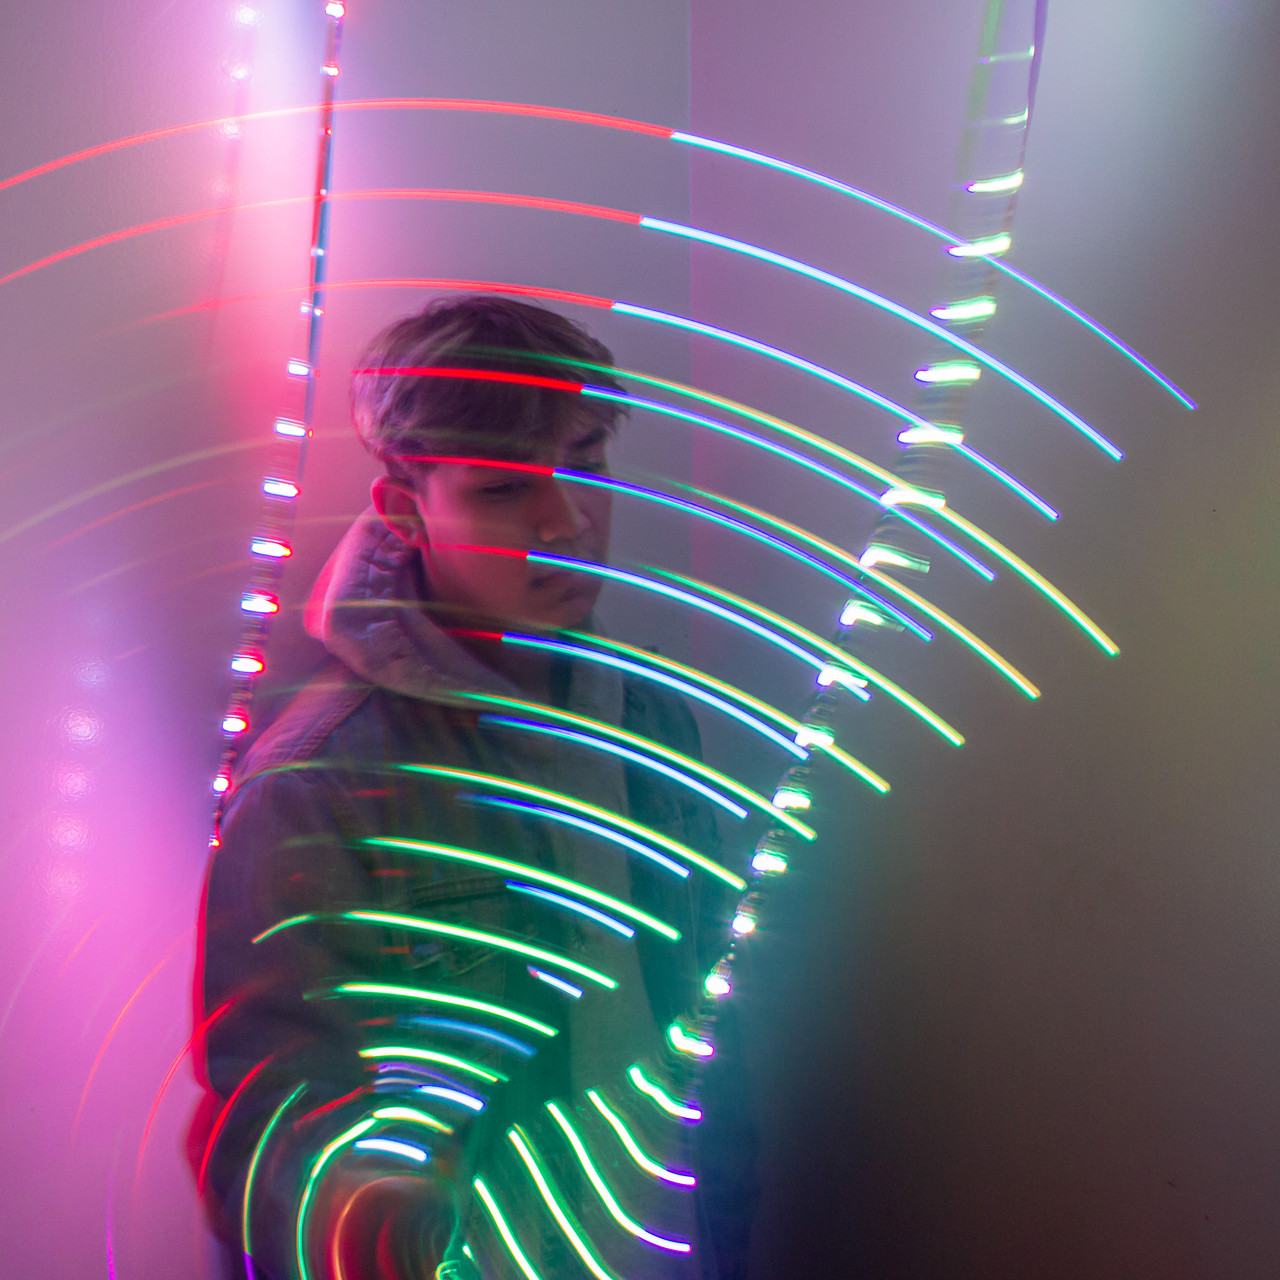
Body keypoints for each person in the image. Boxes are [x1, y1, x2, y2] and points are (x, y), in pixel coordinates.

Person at [189, 295, 757, 1280]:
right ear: (406, 510)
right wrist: (375, 1213)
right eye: (502, 489)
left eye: (585, 460)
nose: (567, 519)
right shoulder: (320, 777)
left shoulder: (652, 716)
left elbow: (706, 1014)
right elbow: (260, 1121)